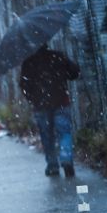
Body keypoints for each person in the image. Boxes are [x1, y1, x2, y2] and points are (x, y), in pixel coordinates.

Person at [19, 43, 81, 177]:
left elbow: (23, 85)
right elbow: (74, 73)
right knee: (64, 132)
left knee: (47, 136)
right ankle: (66, 159)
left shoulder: (29, 62)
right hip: (61, 102)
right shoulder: (57, 56)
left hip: (41, 105)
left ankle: (52, 165)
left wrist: (33, 98)